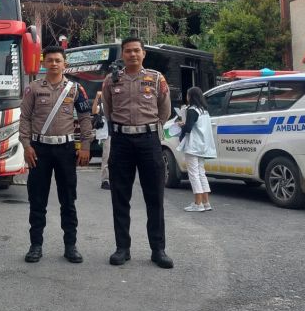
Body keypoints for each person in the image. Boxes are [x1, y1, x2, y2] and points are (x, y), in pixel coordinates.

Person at [102, 36, 174, 269]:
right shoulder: (111, 80)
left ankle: (158, 249)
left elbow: (165, 109)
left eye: (136, 51)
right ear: (122, 54)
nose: (132, 54)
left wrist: (149, 128)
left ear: (144, 54)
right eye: (127, 51)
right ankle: (122, 248)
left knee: (155, 197)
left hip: (149, 141)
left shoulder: (155, 78)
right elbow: (108, 110)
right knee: (120, 197)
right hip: (121, 141)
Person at [19, 45, 93, 264]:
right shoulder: (33, 88)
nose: (53, 64)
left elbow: (86, 116)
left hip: (66, 150)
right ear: (43, 63)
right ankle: (35, 246)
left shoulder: (75, 89)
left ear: (64, 64)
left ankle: (71, 246)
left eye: (57, 60)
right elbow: (25, 118)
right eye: (49, 60)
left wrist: (86, 145)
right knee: (37, 199)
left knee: (68, 200)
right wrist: (26, 145)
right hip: (39, 150)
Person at [176, 87, 217, 212]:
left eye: (188, 95)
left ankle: (197, 203)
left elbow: (188, 128)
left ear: (191, 96)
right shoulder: (204, 110)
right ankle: (206, 202)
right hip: (203, 145)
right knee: (201, 173)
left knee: (193, 175)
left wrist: (181, 126)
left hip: (193, 146)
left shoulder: (192, 110)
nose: (186, 97)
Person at [92, 91, 111, 190]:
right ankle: (105, 180)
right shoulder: (102, 105)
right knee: (107, 157)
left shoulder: (115, 103)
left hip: (117, 133)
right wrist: (96, 97)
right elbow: (94, 111)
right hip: (107, 134)